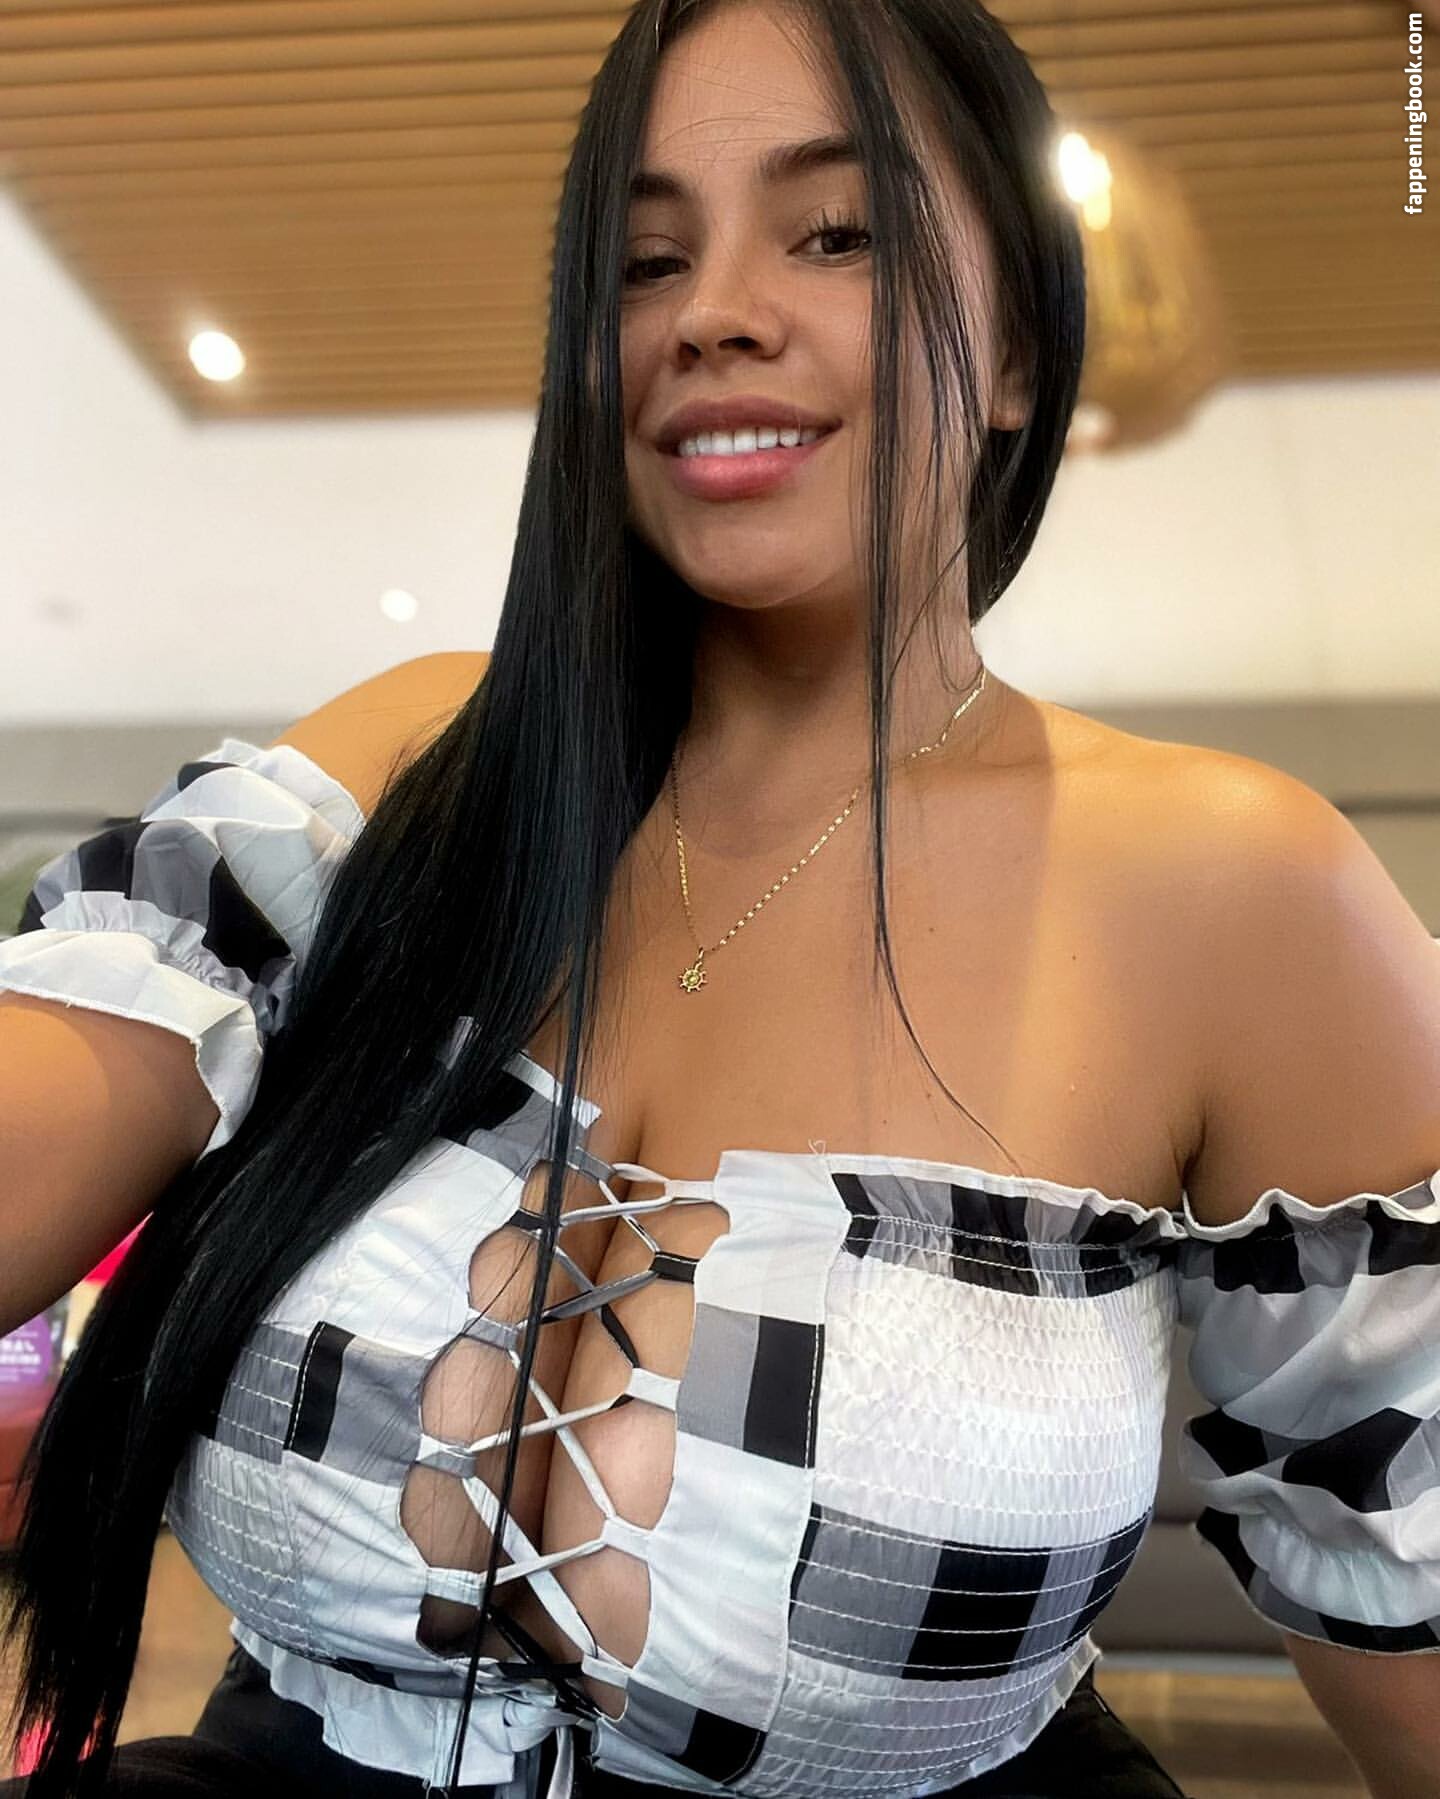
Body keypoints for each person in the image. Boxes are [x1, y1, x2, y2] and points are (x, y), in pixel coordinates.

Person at [2, 1, 1439, 1795]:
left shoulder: (1240, 889)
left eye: (836, 233)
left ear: (1014, 351)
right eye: (644, 262)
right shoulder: (401, 771)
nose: (714, 313)